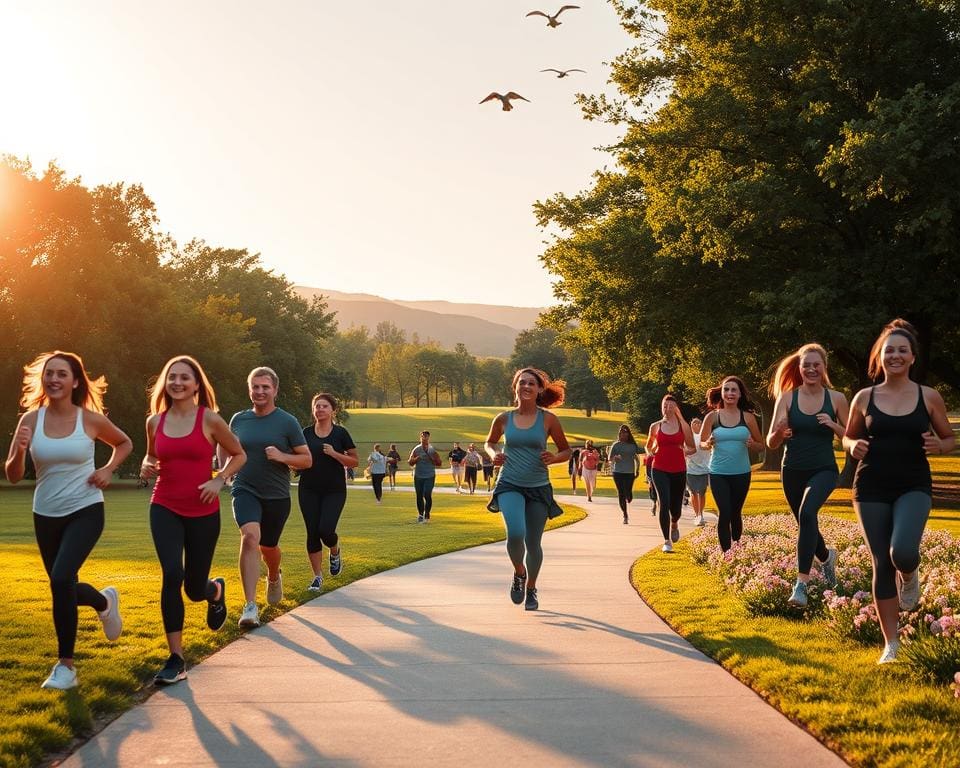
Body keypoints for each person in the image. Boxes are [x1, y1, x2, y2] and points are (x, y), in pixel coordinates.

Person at [5, 351, 132, 690]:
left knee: (61, 578)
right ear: (42, 380)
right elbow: (14, 476)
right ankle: (104, 602)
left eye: (62, 374)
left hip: (86, 508)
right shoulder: (30, 420)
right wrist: (19, 450)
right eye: (49, 374)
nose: (54, 379)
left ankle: (66, 667)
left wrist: (106, 470)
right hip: (45, 513)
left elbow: (124, 443)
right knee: (63, 586)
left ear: (75, 381)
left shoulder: (88, 419)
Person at [843, 320, 954, 664]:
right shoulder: (864, 397)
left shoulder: (928, 396)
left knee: (903, 552)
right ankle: (891, 644)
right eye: (889, 350)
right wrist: (852, 445)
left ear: (911, 358)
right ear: (880, 356)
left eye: (901, 350)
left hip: (913, 484)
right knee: (880, 562)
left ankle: (910, 572)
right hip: (870, 485)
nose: (895, 355)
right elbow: (847, 436)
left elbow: (949, 440)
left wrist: (940, 444)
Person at [141, 355, 246, 685]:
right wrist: (147, 465)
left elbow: (240, 454)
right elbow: (152, 455)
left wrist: (220, 479)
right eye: (172, 377)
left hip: (203, 511)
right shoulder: (154, 422)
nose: (177, 383)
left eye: (185, 378)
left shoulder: (210, 419)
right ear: (165, 382)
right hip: (164, 505)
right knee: (172, 573)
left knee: (193, 589)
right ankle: (176, 658)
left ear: (196, 384)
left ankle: (214, 591)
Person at [227, 367, 312, 629]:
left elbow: (307, 460)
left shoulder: (287, 422)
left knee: (269, 547)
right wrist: (226, 471)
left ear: (275, 390)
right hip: (244, 488)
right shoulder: (238, 420)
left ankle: (274, 575)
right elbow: (229, 448)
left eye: (265, 387)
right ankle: (250, 606)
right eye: (255, 386)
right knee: (250, 537)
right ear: (249, 389)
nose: (260, 391)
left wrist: (283, 457)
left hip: (276, 495)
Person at [767, 344, 849, 609]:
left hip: (824, 469)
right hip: (792, 470)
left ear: (824, 367)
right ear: (799, 368)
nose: (812, 369)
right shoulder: (788, 398)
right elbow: (771, 442)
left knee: (807, 513)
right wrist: (780, 432)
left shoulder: (836, 398)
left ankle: (800, 585)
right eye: (807, 365)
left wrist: (833, 424)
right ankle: (826, 558)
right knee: (806, 521)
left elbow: (851, 437)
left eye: (817, 364)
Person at [484, 367, 570, 611]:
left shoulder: (548, 419)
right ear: (515, 387)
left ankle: (531, 587)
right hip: (509, 482)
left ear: (539, 389)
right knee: (516, 534)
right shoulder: (504, 418)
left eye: (531, 383)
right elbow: (489, 442)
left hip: (538, 486)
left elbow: (566, 450)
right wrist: (494, 454)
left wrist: (554, 458)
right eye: (522, 383)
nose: (526, 387)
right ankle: (519, 573)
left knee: (533, 543)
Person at [298, 393, 358, 592]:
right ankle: (317, 577)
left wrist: (334, 453)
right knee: (312, 532)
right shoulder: (305, 433)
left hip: (334, 490)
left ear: (333, 410)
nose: (320, 409)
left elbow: (354, 461)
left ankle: (334, 550)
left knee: (326, 530)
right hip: (308, 489)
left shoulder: (340, 433)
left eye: (324, 406)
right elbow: (297, 456)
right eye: (317, 406)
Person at [699, 376, 764, 553]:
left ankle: (736, 545)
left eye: (733, 390)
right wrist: (709, 442)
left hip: (742, 472)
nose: (730, 393)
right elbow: (702, 444)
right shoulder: (713, 417)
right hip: (718, 472)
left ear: (739, 394)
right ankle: (726, 553)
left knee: (735, 512)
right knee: (725, 512)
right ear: (721, 393)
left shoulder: (748, 418)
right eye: (726, 389)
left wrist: (753, 445)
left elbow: (761, 445)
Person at [646, 396, 695, 551]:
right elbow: (648, 446)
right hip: (659, 468)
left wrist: (686, 451)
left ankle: (674, 523)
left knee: (676, 508)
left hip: (679, 469)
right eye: (664, 406)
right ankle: (667, 541)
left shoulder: (683, 426)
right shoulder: (655, 426)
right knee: (664, 502)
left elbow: (692, 447)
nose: (667, 408)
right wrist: (651, 451)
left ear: (676, 408)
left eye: (671, 406)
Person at [608, 426, 641, 524]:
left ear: (628, 434)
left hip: (629, 472)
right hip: (618, 472)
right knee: (621, 493)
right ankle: (625, 514)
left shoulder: (632, 446)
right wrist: (615, 458)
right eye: (621, 433)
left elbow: (637, 457)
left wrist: (637, 469)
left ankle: (629, 495)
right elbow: (610, 458)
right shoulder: (616, 445)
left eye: (625, 432)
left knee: (628, 493)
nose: (622, 434)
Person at [409, 431, 442, 522]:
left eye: (426, 437)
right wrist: (416, 459)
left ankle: (427, 513)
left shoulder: (432, 450)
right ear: (420, 438)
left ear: (429, 438)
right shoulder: (416, 449)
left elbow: (439, 463)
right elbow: (410, 462)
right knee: (419, 495)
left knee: (427, 494)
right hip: (418, 475)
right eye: (423, 437)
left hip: (429, 475)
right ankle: (420, 514)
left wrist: (432, 459)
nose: (424, 438)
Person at [685, 417, 711, 527]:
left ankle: (701, 514)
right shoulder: (688, 437)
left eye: (699, 422)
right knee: (694, 493)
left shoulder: (706, 436)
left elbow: (710, 446)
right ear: (691, 425)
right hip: (690, 469)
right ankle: (697, 515)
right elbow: (684, 450)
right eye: (694, 422)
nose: (697, 424)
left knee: (702, 493)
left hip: (704, 469)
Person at [644, 451, 657, 516]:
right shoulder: (650, 457)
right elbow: (647, 469)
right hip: (652, 476)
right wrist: (650, 479)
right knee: (653, 489)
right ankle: (655, 503)